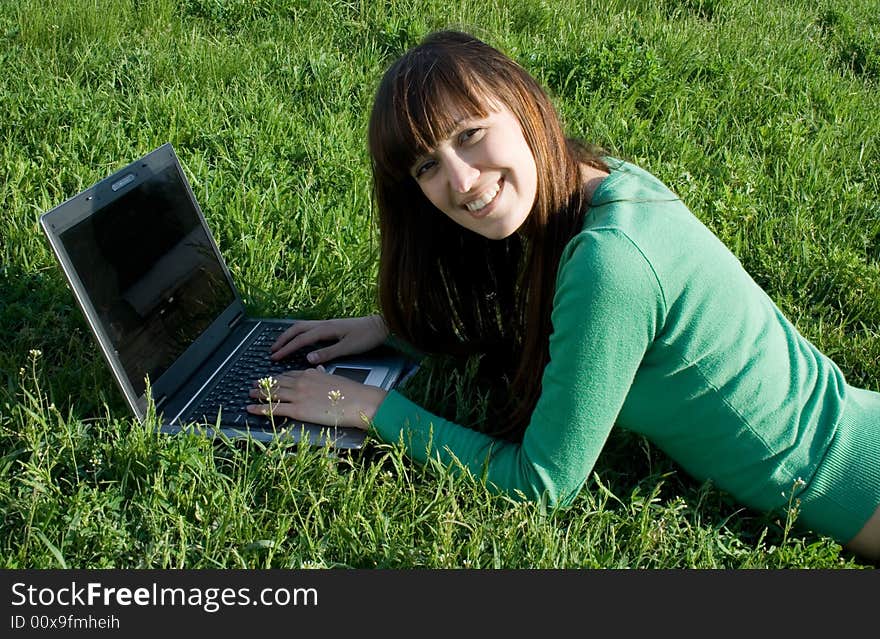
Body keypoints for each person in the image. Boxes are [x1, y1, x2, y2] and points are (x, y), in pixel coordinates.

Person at [246, 30, 880, 561]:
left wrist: (371, 409)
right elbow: (547, 322)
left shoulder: (612, 265)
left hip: (852, 479)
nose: (462, 182)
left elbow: (541, 485)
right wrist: (393, 327)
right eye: (426, 166)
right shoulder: (604, 186)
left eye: (468, 134)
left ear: (522, 103)